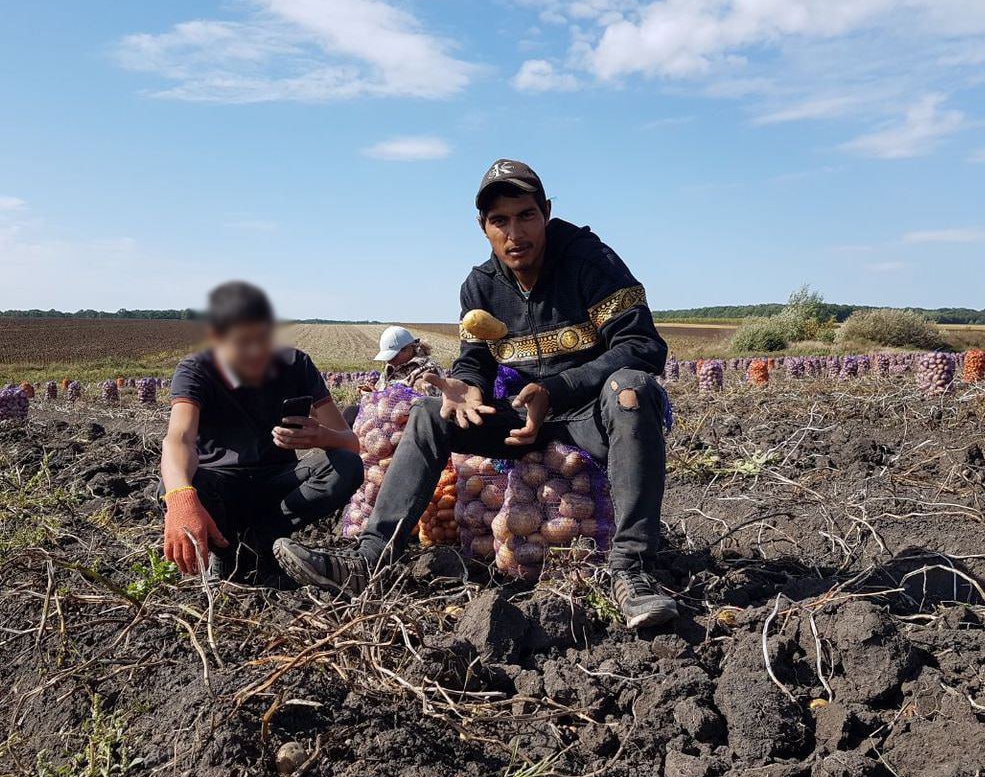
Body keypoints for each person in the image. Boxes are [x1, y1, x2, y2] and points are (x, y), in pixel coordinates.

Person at [275, 160, 678, 629]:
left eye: (525, 215)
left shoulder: (591, 263)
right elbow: (477, 360)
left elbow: (643, 345)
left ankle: (632, 570)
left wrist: (556, 388)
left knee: (632, 388)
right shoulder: (481, 285)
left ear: (546, 212)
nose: (515, 233)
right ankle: (368, 559)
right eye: (499, 221)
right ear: (482, 226)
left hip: (590, 415)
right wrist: (465, 388)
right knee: (428, 415)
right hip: (518, 418)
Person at [159, 281, 363, 581]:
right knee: (176, 484)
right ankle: (225, 551)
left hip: (276, 481)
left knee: (346, 466)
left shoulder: (297, 365)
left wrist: (322, 437)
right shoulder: (196, 370)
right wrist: (180, 500)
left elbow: (350, 444)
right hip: (220, 485)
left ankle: (261, 541)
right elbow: (180, 438)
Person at [362, 326, 443, 393]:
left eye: (394, 355)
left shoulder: (429, 369)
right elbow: (381, 390)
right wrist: (370, 392)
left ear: (409, 348)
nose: (389, 360)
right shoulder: (391, 368)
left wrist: (377, 396)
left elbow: (422, 404)